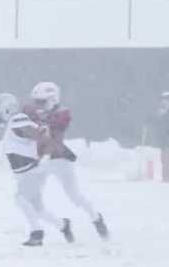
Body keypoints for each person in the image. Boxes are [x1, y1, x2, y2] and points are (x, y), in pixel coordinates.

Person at [23, 82, 109, 239]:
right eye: (37, 101)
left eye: (42, 101)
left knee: (74, 196)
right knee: (32, 199)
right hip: (41, 160)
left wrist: (46, 155)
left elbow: (54, 136)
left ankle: (96, 218)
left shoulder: (62, 114)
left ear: (53, 99)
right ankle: (59, 225)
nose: (38, 105)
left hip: (59, 159)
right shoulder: (32, 113)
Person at [0, 93, 73, 246]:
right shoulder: (16, 122)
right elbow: (40, 133)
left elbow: (40, 135)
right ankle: (63, 225)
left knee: (20, 199)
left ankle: (37, 233)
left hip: (31, 170)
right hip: (27, 171)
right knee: (38, 208)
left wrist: (46, 156)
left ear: (7, 110)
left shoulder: (17, 120)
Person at [143, 91, 169, 182]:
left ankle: (166, 178)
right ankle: (166, 178)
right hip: (164, 140)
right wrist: (147, 122)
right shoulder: (161, 111)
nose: (164, 102)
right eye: (163, 100)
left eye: (166, 100)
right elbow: (154, 119)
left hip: (166, 140)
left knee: (166, 158)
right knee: (164, 159)